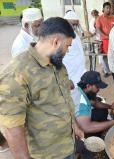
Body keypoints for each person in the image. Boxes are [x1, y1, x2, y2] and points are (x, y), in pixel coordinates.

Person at [0, 17, 84, 159]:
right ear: (56, 42)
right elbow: (12, 128)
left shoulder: (57, 65)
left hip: (67, 145)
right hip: (45, 154)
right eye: (67, 46)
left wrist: (75, 126)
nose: (68, 51)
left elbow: (65, 100)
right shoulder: (17, 73)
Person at [73, 71, 114, 158]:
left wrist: (110, 106)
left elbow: (95, 103)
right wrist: (113, 122)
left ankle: (96, 133)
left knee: (102, 111)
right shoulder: (82, 103)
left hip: (78, 119)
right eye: (97, 86)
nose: (98, 89)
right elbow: (87, 127)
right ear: (88, 86)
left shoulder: (80, 90)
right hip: (68, 128)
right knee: (86, 152)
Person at [63, 11, 87, 97]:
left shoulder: (74, 34)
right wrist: (67, 79)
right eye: (73, 24)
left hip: (79, 73)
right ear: (65, 22)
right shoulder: (62, 36)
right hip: (70, 76)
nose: (74, 27)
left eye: (76, 24)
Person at [96, 2, 114, 77]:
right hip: (104, 40)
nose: (108, 10)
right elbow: (98, 29)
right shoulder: (99, 18)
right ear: (103, 9)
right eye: (107, 8)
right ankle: (106, 70)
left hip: (113, 40)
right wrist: (105, 36)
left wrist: (113, 36)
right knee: (105, 55)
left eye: (109, 8)